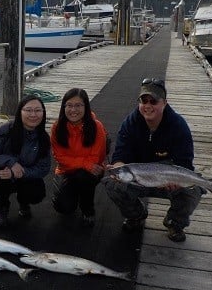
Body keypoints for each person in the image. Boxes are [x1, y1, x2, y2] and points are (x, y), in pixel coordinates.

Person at [104, 78, 202, 242]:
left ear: (164, 103)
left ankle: (174, 223)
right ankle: (136, 215)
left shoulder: (178, 126)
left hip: (168, 178)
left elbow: (185, 164)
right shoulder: (129, 124)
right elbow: (120, 156)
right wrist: (117, 169)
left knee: (193, 190)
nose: (148, 105)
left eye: (153, 101)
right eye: (144, 100)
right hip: (137, 179)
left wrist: (176, 181)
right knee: (112, 184)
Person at [0, 95, 51, 227]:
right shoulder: (6, 129)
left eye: (37, 110)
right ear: (20, 112)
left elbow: (44, 168)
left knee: (37, 193)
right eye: (28, 110)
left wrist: (21, 172)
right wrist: (11, 163)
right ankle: (1, 207)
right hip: (3, 177)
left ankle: (24, 202)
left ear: (43, 113)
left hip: (25, 176)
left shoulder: (43, 138)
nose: (33, 114)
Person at [50, 88, 108, 227]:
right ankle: (73, 193)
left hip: (90, 171)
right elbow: (59, 157)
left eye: (78, 105)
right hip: (66, 170)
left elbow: (96, 158)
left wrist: (82, 164)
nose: (73, 110)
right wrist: (83, 163)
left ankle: (88, 208)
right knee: (63, 208)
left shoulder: (97, 127)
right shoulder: (57, 128)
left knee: (84, 177)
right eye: (69, 105)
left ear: (86, 107)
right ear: (63, 107)